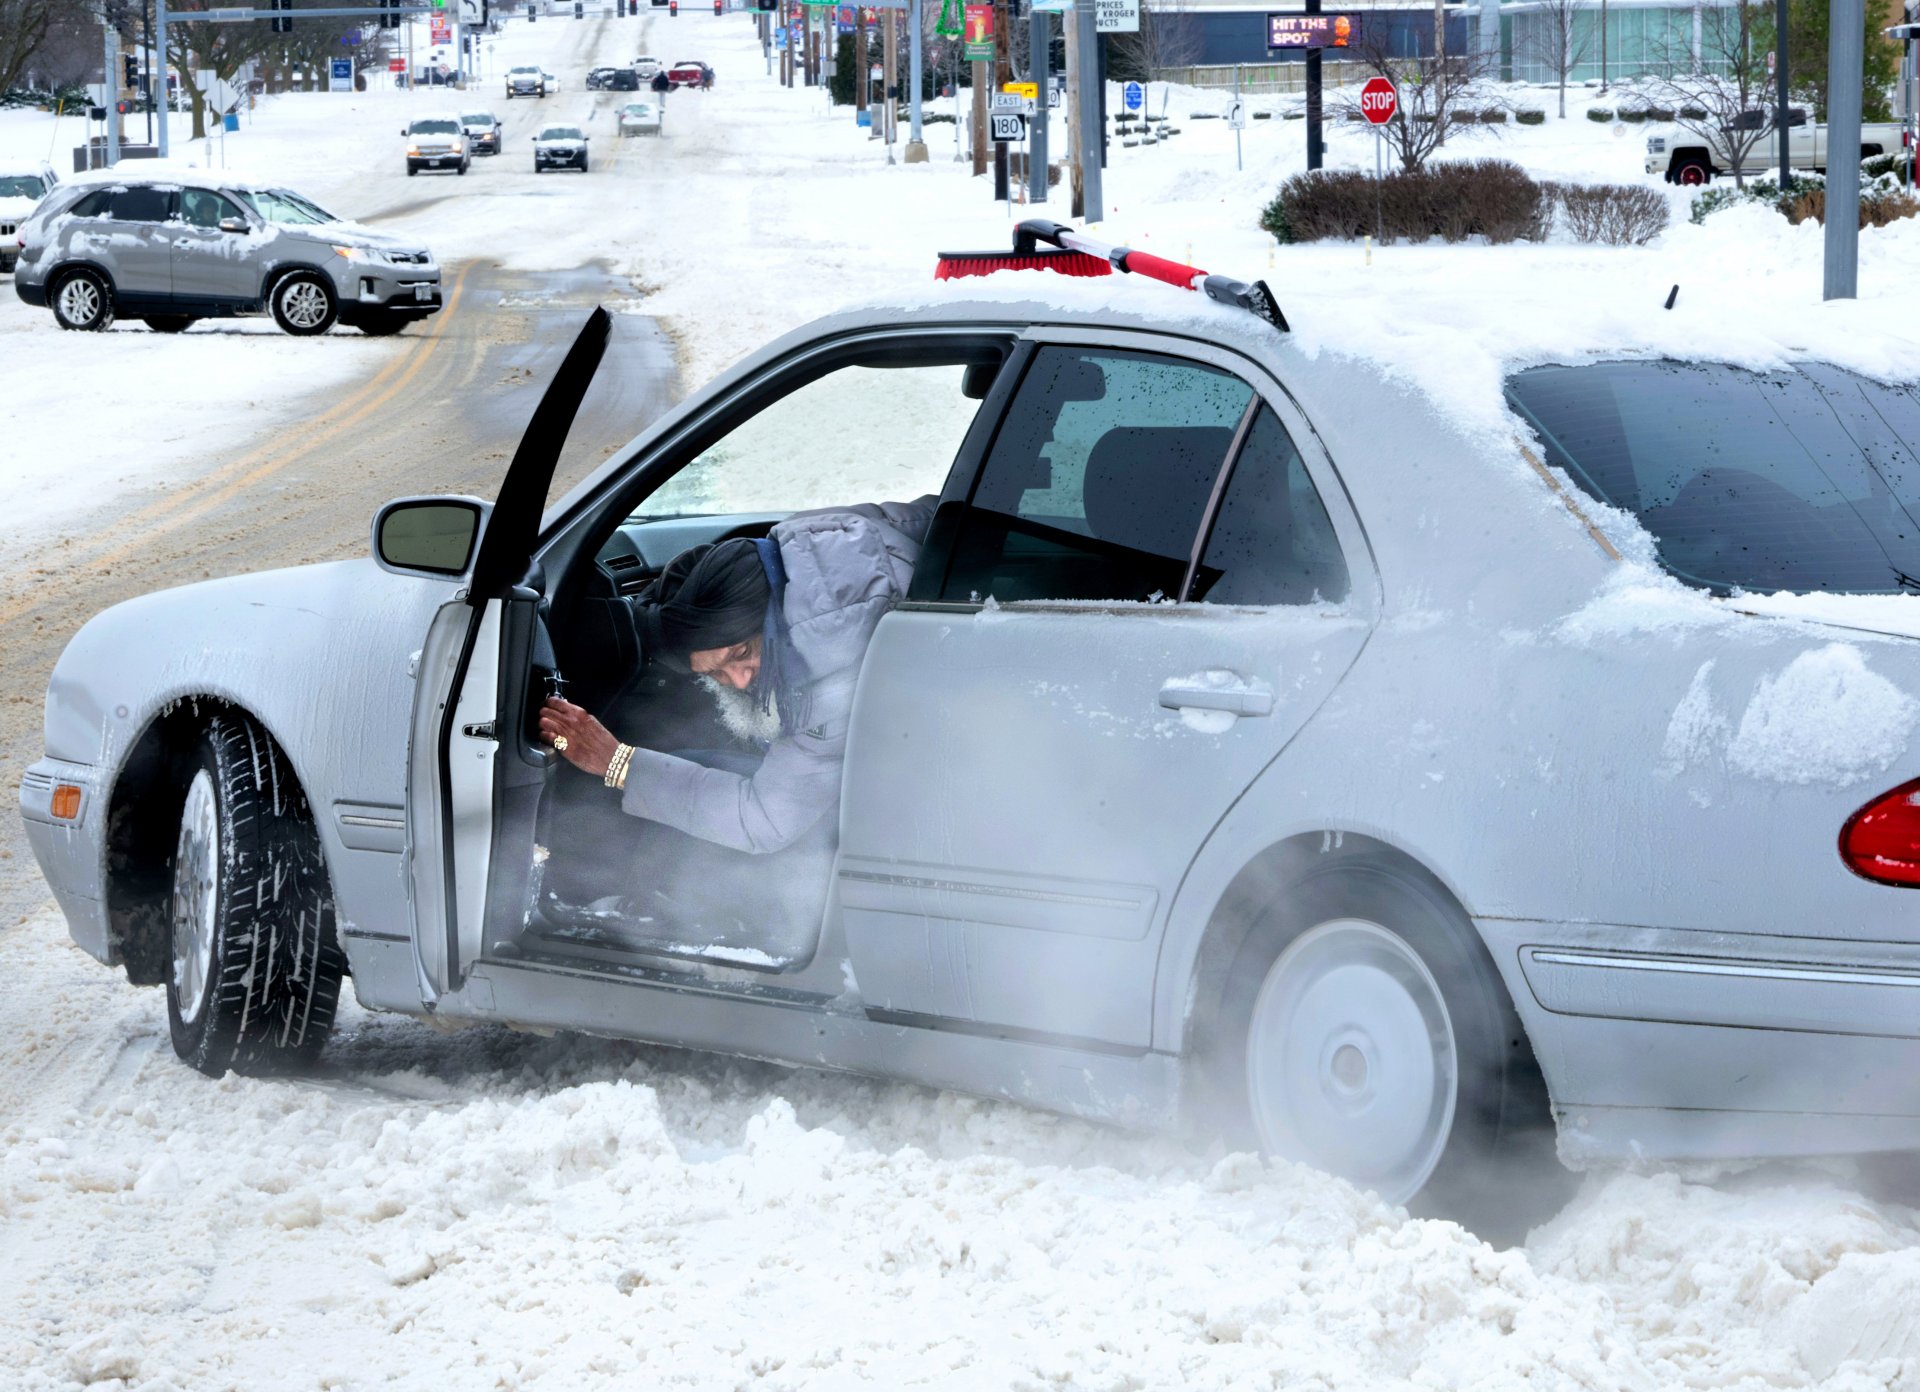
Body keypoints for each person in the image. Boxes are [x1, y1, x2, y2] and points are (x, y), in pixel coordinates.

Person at [536, 497, 935, 957]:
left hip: (907, 818)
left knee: (688, 800)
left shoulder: (826, 678)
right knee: (697, 764)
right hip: (920, 769)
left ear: (766, 613)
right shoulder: (832, 538)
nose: (742, 681)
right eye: (716, 675)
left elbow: (765, 821)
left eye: (741, 653)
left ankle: (676, 927)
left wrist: (617, 762)